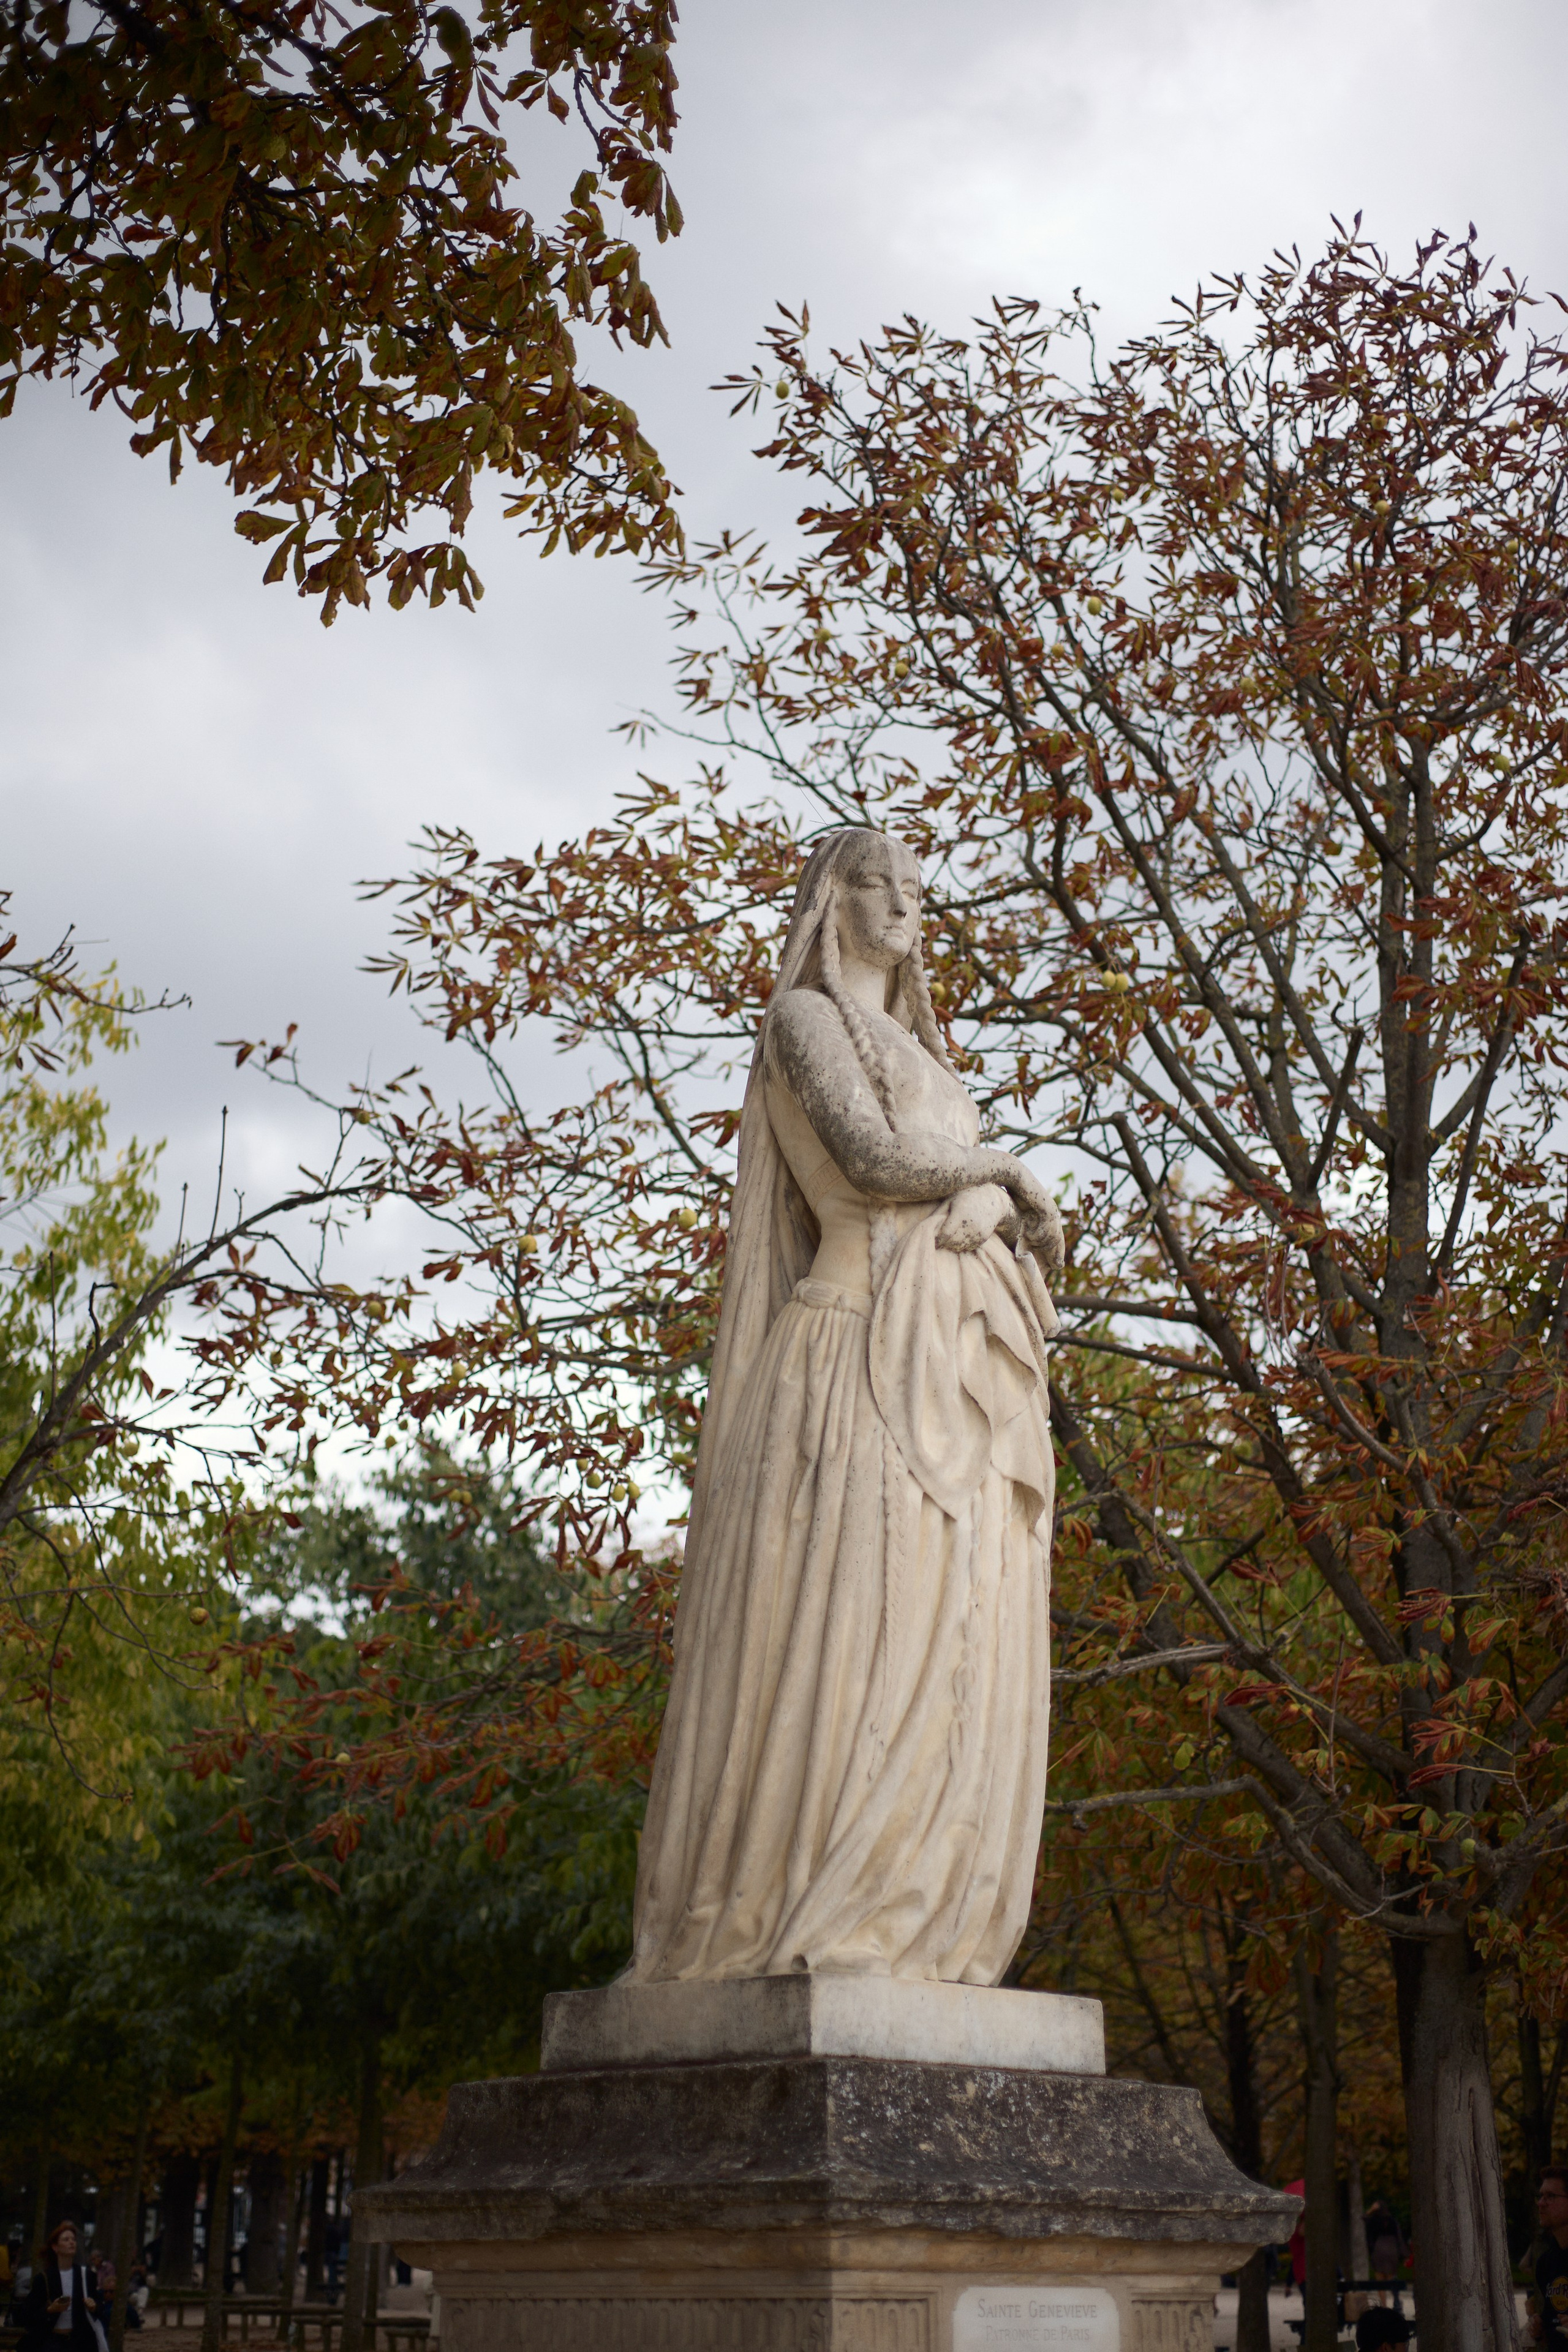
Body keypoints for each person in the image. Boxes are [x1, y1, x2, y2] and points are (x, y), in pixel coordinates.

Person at [628, 827, 1062, 1985]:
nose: (907, 903)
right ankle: (815, 1900)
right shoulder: (804, 1022)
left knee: (950, 1633)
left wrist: (1006, 1211)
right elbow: (870, 1160)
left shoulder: (930, 1057)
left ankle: (917, 1912)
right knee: (859, 1633)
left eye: (919, 887)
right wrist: (1002, 1173)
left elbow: (1016, 1230)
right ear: (833, 901)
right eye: (880, 882)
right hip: (856, 1351)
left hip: (954, 1369)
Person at [18, 2221, 109, 2352]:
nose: (72, 2242)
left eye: (73, 2240)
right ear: (55, 2247)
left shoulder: (86, 2275)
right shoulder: (44, 2279)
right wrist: (50, 2310)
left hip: (79, 2342)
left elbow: (100, 2305)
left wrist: (94, 2306)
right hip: (52, 2342)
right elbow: (28, 2313)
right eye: (66, 2240)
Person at [1529, 2166, 1568, 2351]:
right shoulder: (1546, 2263)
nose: (1541, 2203)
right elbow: (1552, 2331)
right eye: (1541, 2196)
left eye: (1550, 2196)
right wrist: (1540, 2330)